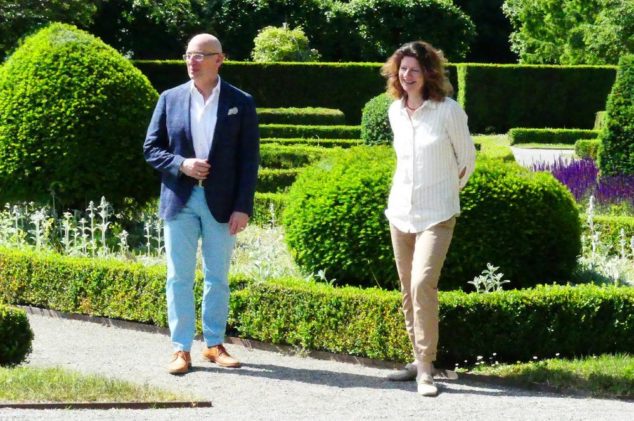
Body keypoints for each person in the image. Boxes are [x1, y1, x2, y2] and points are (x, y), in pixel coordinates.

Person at [143, 33, 260, 375]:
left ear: (219, 60)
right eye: (188, 55)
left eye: (199, 55)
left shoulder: (241, 101)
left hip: (222, 203)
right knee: (178, 276)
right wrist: (181, 163)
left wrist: (243, 206)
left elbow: (249, 159)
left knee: (217, 277)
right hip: (179, 199)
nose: (191, 61)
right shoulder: (169, 98)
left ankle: (213, 344)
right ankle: (180, 349)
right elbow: (151, 148)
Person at [381, 41, 476, 396]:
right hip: (400, 212)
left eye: (415, 70)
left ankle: (426, 370)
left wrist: (446, 191)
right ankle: (418, 360)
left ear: (429, 73)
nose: (407, 75)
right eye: (403, 69)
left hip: (437, 214)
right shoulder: (395, 111)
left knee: (423, 283)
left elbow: (467, 160)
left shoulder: (448, 111)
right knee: (407, 289)